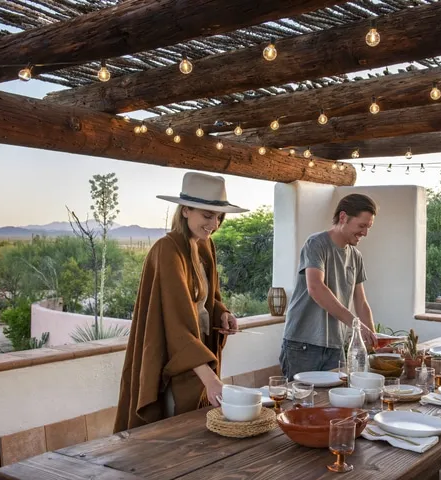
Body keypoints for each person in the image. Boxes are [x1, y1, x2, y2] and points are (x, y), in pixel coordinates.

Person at [114, 172, 247, 432]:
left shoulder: (205, 247)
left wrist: (222, 313)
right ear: (185, 210)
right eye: (207, 215)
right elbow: (175, 325)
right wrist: (211, 379)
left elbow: (207, 298)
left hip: (196, 357)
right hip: (173, 365)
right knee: (176, 437)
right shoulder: (167, 250)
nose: (215, 224)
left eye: (219, 216)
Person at [280, 193, 379, 379]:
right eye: (362, 226)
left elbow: (361, 302)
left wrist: (373, 337)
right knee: (300, 405)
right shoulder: (316, 244)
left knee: (334, 404)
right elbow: (316, 288)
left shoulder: (356, 256)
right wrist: (357, 324)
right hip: (303, 344)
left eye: (368, 227)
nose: (365, 233)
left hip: (335, 346)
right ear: (343, 217)